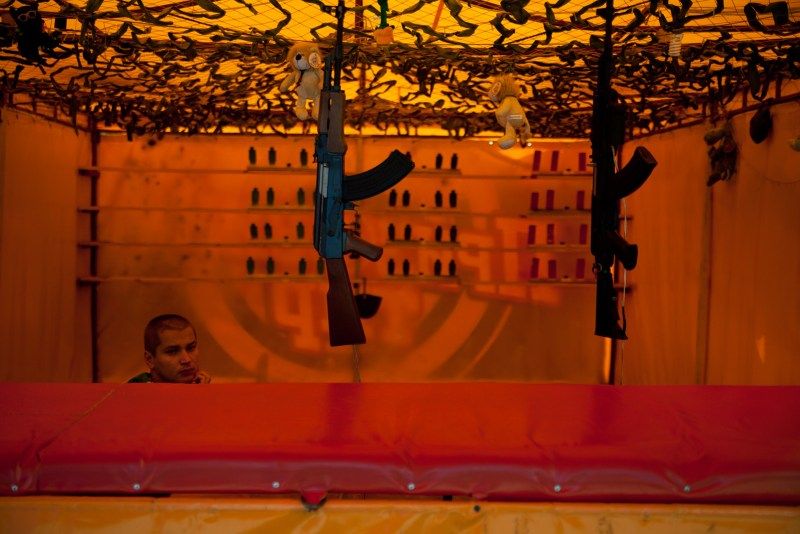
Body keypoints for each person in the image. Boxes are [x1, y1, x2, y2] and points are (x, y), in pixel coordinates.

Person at [128, 314, 211, 383]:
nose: (187, 360)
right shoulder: (131, 392)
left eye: (191, 348)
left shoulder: (199, 385)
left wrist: (201, 394)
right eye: (172, 352)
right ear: (150, 359)